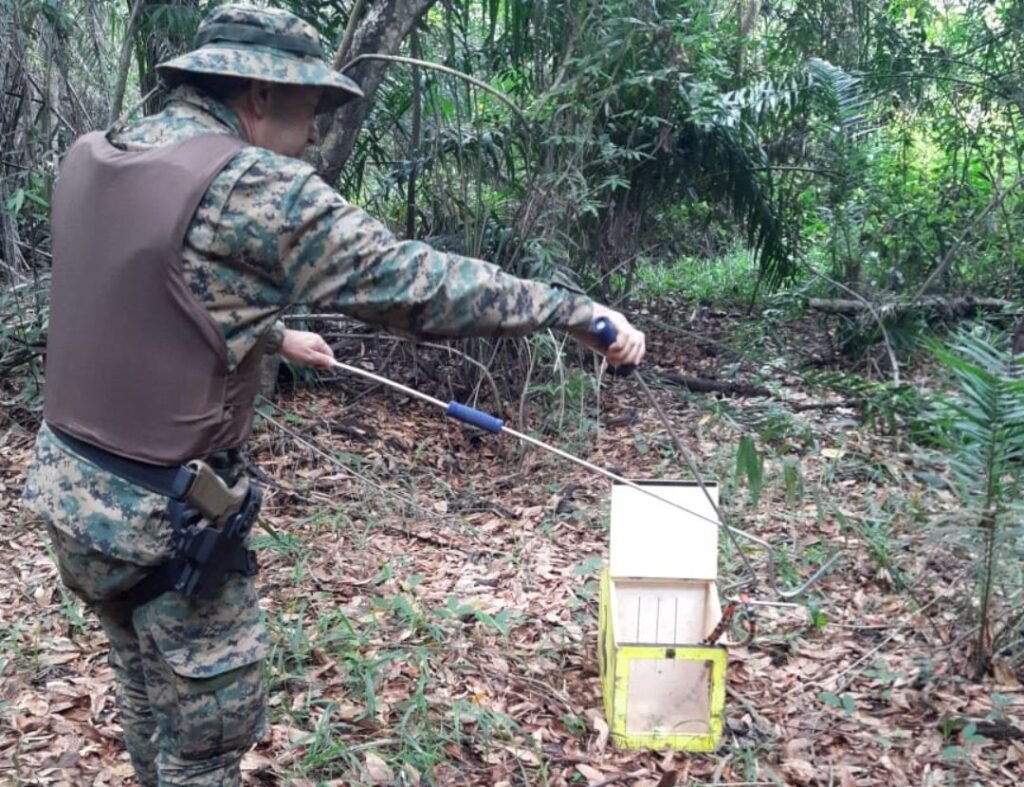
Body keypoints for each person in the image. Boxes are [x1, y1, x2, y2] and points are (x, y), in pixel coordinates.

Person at [21, 4, 645, 786]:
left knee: (146, 695)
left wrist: (274, 334)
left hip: (73, 505)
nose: (313, 134)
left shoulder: (101, 153)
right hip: (165, 528)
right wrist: (572, 310)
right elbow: (420, 286)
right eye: (309, 109)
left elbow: (145, 283)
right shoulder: (260, 187)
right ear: (257, 97)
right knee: (205, 749)